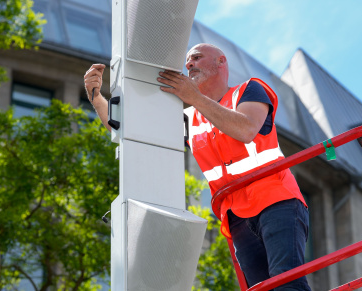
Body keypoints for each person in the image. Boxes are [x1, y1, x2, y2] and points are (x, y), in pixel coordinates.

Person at [83, 43, 310, 290]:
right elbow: (133, 130)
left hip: (275, 199)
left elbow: (245, 129)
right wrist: (96, 98)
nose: (189, 64)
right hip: (236, 214)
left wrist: (194, 97)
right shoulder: (190, 118)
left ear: (221, 62)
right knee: (262, 287)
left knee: (287, 281)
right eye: (188, 60)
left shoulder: (248, 90)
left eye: (197, 58)